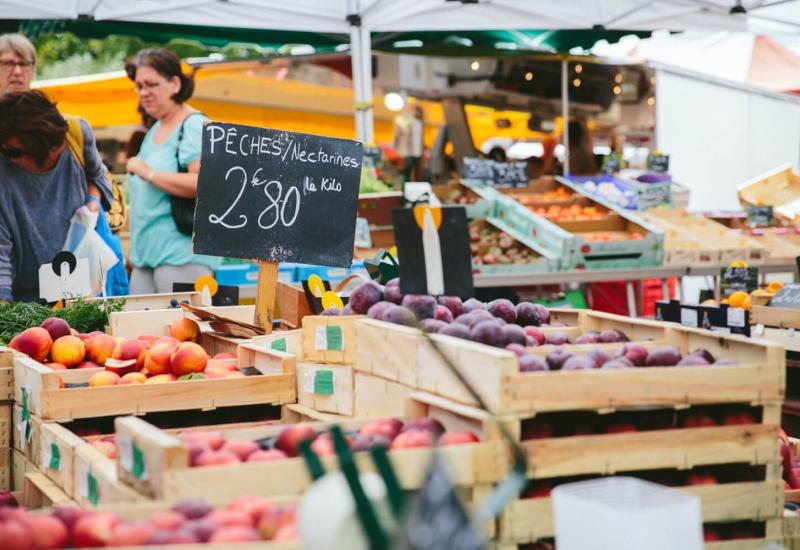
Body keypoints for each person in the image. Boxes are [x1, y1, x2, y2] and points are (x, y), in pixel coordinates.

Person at [0, 90, 113, 302]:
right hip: (24, 300)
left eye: (14, 152)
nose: (8, 156)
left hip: (82, 294)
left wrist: (93, 202)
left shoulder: (76, 134)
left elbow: (98, 175)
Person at [124, 48, 220, 294]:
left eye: (151, 84)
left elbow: (205, 184)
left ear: (175, 83)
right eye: (139, 86)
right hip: (146, 257)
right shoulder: (157, 127)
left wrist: (150, 174)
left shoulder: (194, 124)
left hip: (182, 256)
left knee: (180, 331)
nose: (143, 93)